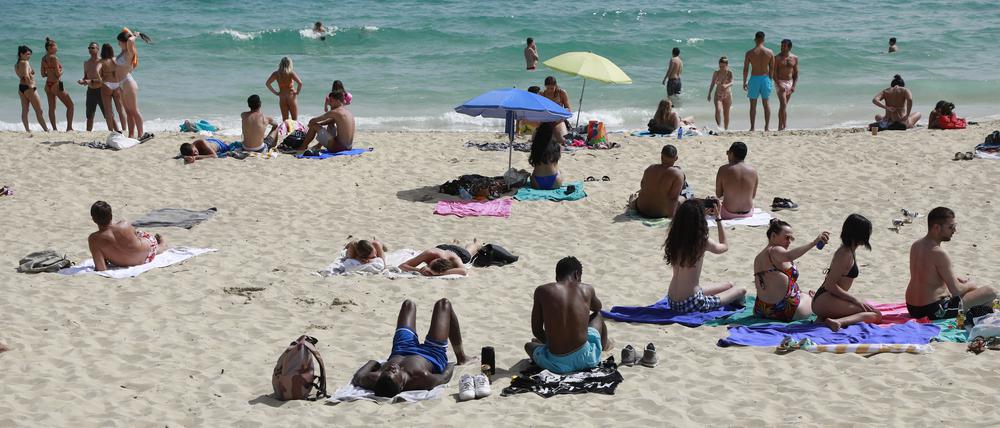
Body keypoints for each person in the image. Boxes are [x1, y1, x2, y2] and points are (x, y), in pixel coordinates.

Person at [352, 299, 470, 397]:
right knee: (444, 304)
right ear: (401, 386)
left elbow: (367, 368)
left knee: (408, 305)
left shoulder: (376, 379)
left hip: (401, 348)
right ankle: (462, 357)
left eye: (387, 370)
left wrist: (379, 367)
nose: (392, 367)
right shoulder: (421, 378)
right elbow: (444, 377)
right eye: (393, 371)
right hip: (432, 353)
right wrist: (450, 365)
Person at [906, 207, 997, 321]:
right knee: (990, 292)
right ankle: (977, 314)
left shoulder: (916, 245)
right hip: (934, 311)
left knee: (973, 294)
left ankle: (977, 312)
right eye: (951, 227)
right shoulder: (939, 253)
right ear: (936, 227)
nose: (954, 230)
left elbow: (928, 277)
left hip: (913, 308)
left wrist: (955, 280)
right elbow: (956, 291)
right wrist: (971, 284)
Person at [524, 256, 610, 374]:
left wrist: (550, 342)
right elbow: (597, 308)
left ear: (556, 277)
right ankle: (604, 345)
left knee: (529, 346)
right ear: (576, 275)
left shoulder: (542, 291)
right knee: (598, 316)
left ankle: (550, 344)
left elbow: (537, 330)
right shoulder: (586, 289)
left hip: (555, 364)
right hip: (587, 359)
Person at [664, 199, 747, 312]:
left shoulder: (674, 237)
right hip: (691, 302)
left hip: (672, 301)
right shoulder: (701, 241)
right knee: (742, 289)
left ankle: (729, 290)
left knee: (728, 285)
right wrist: (718, 218)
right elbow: (724, 246)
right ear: (699, 220)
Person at [811, 214, 882, 331]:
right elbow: (830, 285)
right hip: (824, 299)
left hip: (827, 298)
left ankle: (824, 318)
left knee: (866, 307)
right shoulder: (845, 254)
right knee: (876, 315)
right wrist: (854, 299)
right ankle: (838, 322)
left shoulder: (847, 250)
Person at [753, 219, 829, 321]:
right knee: (816, 300)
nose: (789, 242)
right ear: (773, 236)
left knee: (804, 295)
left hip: (761, 309)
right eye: (786, 237)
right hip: (784, 311)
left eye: (791, 239)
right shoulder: (775, 250)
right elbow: (789, 256)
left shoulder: (758, 258)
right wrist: (813, 243)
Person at [87, 201, 165, 271]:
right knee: (140, 234)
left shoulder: (94, 239)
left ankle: (161, 245)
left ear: (94, 219)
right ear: (111, 215)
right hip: (146, 256)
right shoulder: (125, 224)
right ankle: (161, 245)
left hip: (125, 262)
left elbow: (101, 268)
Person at [629, 144, 691, 218]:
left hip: (641, 209)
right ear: (676, 158)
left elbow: (642, 186)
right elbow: (673, 198)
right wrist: (671, 218)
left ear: (661, 156)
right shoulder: (678, 174)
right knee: (685, 196)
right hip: (661, 213)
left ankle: (632, 203)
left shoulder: (650, 169)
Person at [115, 28, 151, 140]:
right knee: (128, 111)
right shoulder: (123, 52)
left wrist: (137, 35)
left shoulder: (130, 52)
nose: (118, 44)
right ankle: (131, 135)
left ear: (125, 42)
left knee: (134, 110)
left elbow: (130, 41)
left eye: (120, 42)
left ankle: (140, 134)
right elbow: (125, 29)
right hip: (120, 84)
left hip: (128, 83)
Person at [298, 88, 355, 153]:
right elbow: (330, 121)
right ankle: (316, 146)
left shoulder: (335, 112)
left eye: (331, 101)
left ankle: (302, 148)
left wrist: (313, 125)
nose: (329, 104)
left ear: (338, 101)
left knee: (313, 125)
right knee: (331, 126)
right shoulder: (348, 112)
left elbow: (312, 121)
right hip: (349, 147)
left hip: (339, 148)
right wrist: (320, 124)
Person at [714, 142, 758, 219]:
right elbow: (753, 196)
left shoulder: (723, 169)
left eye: (728, 153)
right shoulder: (753, 171)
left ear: (731, 154)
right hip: (748, 213)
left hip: (727, 213)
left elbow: (719, 194)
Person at [743, 31, 775, 131]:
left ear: (755, 39)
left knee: (753, 105)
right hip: (765, 78)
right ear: (764, 39)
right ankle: (767, 127)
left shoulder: (749, 53)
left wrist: (744, 81)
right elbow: (772, 68)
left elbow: (746, 69)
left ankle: (752, 128)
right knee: (766, 104)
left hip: (754, 78)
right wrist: (769, 79)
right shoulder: (770, 52)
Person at [40, 37, 74, 131]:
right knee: (70, 105)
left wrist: (49, 72)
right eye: (55, 46)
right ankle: (69, 127)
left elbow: (43, 74)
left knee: (51, 108)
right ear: (50, 48)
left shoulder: (43, 58)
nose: (57, 48)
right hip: (55, 84)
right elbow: (58, 74)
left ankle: (55, 129)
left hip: (48, 85)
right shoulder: (54, 58)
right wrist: (61, 71)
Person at [398, 240, 483, 276]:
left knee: (470, 250)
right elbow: (402, 266)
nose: (428, 265)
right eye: (429, 264)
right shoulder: (429, 253)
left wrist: (439, 273)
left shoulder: (454, 259)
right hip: (441, 248)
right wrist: (418, 270)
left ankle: (476, 243)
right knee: (450, 246)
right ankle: (454, 243)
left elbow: (464, 271)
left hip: (460, 253)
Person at [77, 42, 110, 131]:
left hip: (101, 90)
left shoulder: (102, 62)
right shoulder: (86, 63)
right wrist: (83, 81)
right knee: (89, 115)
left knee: (107, 114)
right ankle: (88, 133)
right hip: (90, 91)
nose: (90, 49)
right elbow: (86, 77)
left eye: (93, 48)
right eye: (89, 48)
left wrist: (90, 81)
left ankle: (114, 131)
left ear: (98, 49)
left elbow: (105, 78)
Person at [14, 45, 49, 132]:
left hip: (21, 88)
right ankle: (46, 129)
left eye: (30, 54)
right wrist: (31, 85)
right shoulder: (25, 62)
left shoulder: (17, 64)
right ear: (21, 54)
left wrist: (30, 72)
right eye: (27, 54)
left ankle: (27, 130)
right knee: (39, 110)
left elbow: (21, 75)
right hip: (29, 88)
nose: (29, 56)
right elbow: (26, 75)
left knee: (25, 110)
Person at [99, 43, 125, 133]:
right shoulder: (115, 60)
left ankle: (111, 130)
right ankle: (124, 129)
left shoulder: (102, 61)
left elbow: (98, 72)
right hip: (117, 84)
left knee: (108, 110)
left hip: (106, 84)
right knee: (120, 109)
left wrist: (100, 80)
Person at [528, 122, 563, 190]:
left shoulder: (535, 147)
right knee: (559, 171)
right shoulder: (556, 147)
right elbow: (561, 139)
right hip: (555, 180)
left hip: (536, 181)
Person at [773, 39, 798, 131]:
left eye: (784, 46)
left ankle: (784, 125)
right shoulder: (777, 58)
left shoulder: (794, 58)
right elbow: (773, 74)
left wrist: (793, 86)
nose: (782, 48)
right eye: (781, 46)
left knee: (784, 105)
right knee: (783, 104)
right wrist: (779, 84)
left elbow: (796, 74)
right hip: (780, 82)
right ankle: (780, 126)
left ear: (789, 47)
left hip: (789, 83)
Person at [707, 56, 733, 130]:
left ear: (726, 65)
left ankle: (726, 129)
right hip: (718, 94)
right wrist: (709, 94)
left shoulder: (729, 72)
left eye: (723, 66)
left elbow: (732, 82)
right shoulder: (716, 73)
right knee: (718, 110)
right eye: (720, 66)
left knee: (726, 113)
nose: (721, 68)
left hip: (727, 94)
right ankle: (719, 127)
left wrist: (726, 85)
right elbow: (712, 83)